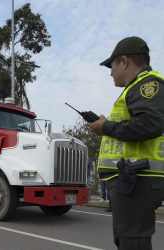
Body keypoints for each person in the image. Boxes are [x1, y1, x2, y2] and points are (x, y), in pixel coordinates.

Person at [89, 36, 164, 250]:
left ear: (124, 61)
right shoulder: (136, 88)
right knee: (127, 239)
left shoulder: (147, 84)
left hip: (139, 179)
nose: (110, 72)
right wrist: (108, 126)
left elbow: (150, 124)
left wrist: (106, 127)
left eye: (111, 66)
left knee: (133, 242)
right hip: (133, 178)